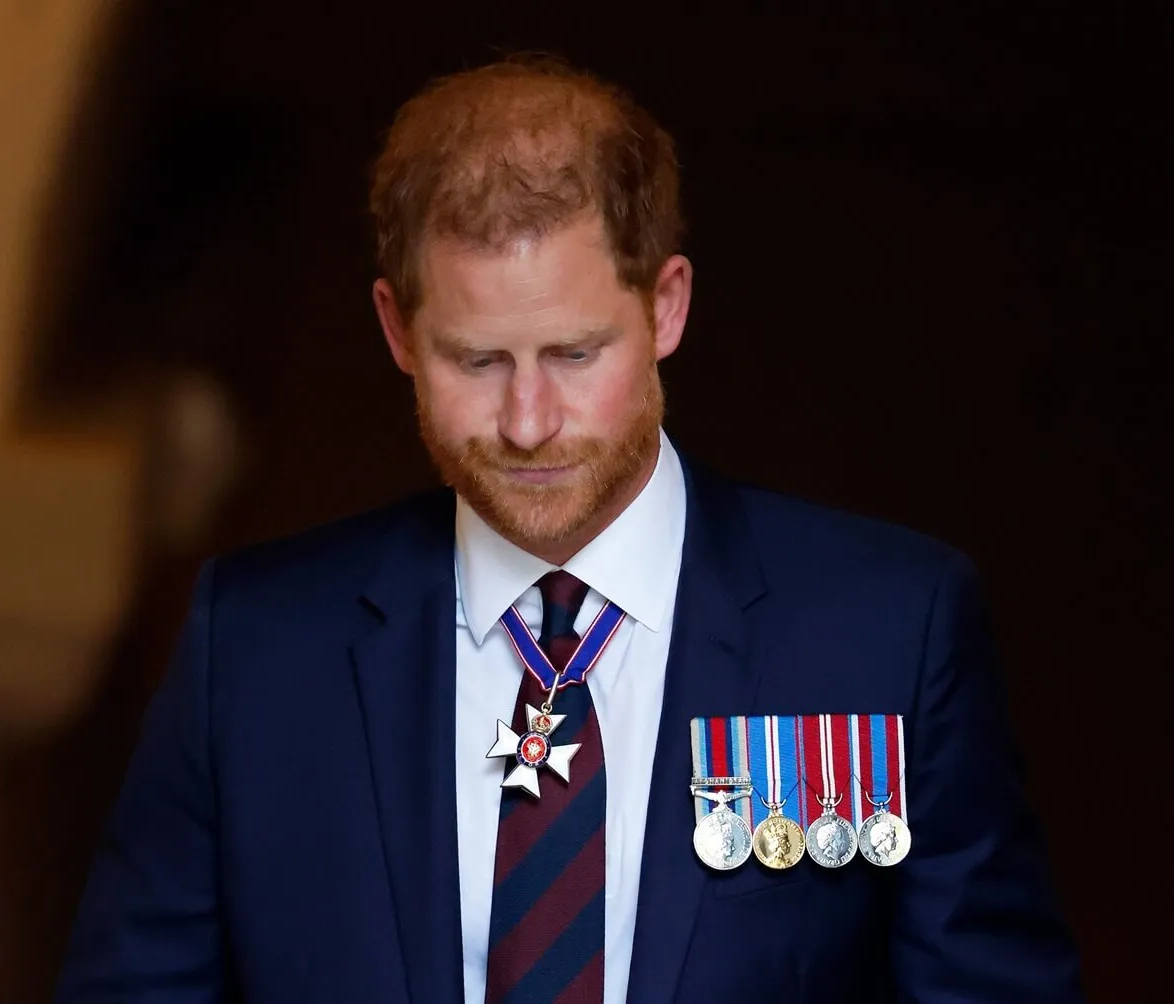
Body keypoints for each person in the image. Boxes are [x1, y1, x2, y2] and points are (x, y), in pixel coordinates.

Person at [54, 56, 1085, 1003]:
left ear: (666, 306)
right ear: (395, 329)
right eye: (479, 360)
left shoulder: (887, 631)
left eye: (576, 353)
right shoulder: (256, 650)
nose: (529, 420)